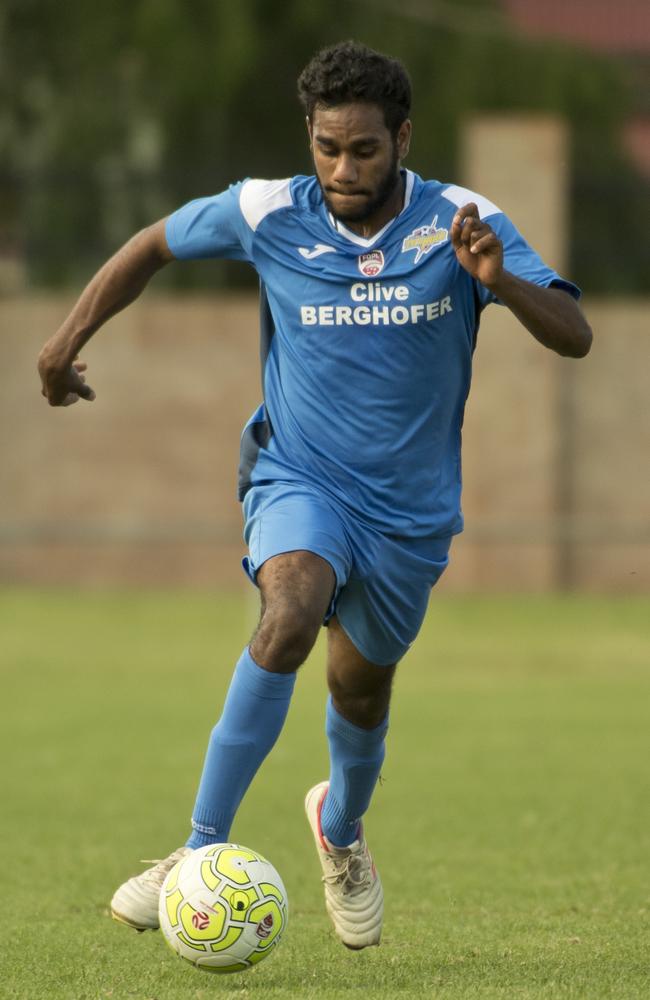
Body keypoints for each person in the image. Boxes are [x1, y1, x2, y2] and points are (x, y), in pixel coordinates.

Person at [37, 40, 592, 950]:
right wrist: (63, 343)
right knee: (289, 612)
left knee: (360, 691)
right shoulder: (266, 212)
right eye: (327, 147)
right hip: (299, 476)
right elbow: (151, 245)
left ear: (403, 138)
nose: (342, 168)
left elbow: (574, 335)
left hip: (410, 517)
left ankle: (339, 830)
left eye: (364, 150)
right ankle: (196, 848)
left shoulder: (463, 220)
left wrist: (503, 283)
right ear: (310, 137)